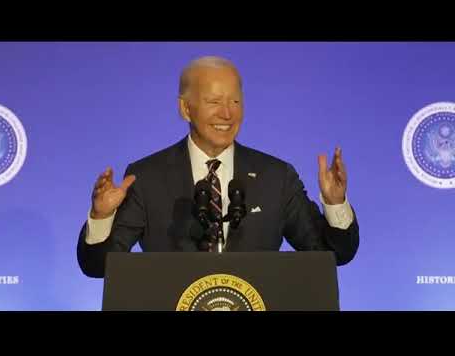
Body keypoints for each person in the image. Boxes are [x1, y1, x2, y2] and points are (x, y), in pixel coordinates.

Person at [77, 56, 359, 278]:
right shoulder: (147, 177)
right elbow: (98, 267)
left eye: (235, 101)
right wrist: (101, 218)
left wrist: (335, 205)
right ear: (185, 109)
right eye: (214, 102)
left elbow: (331, 255)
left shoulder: (276, 177)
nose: (227, 113)